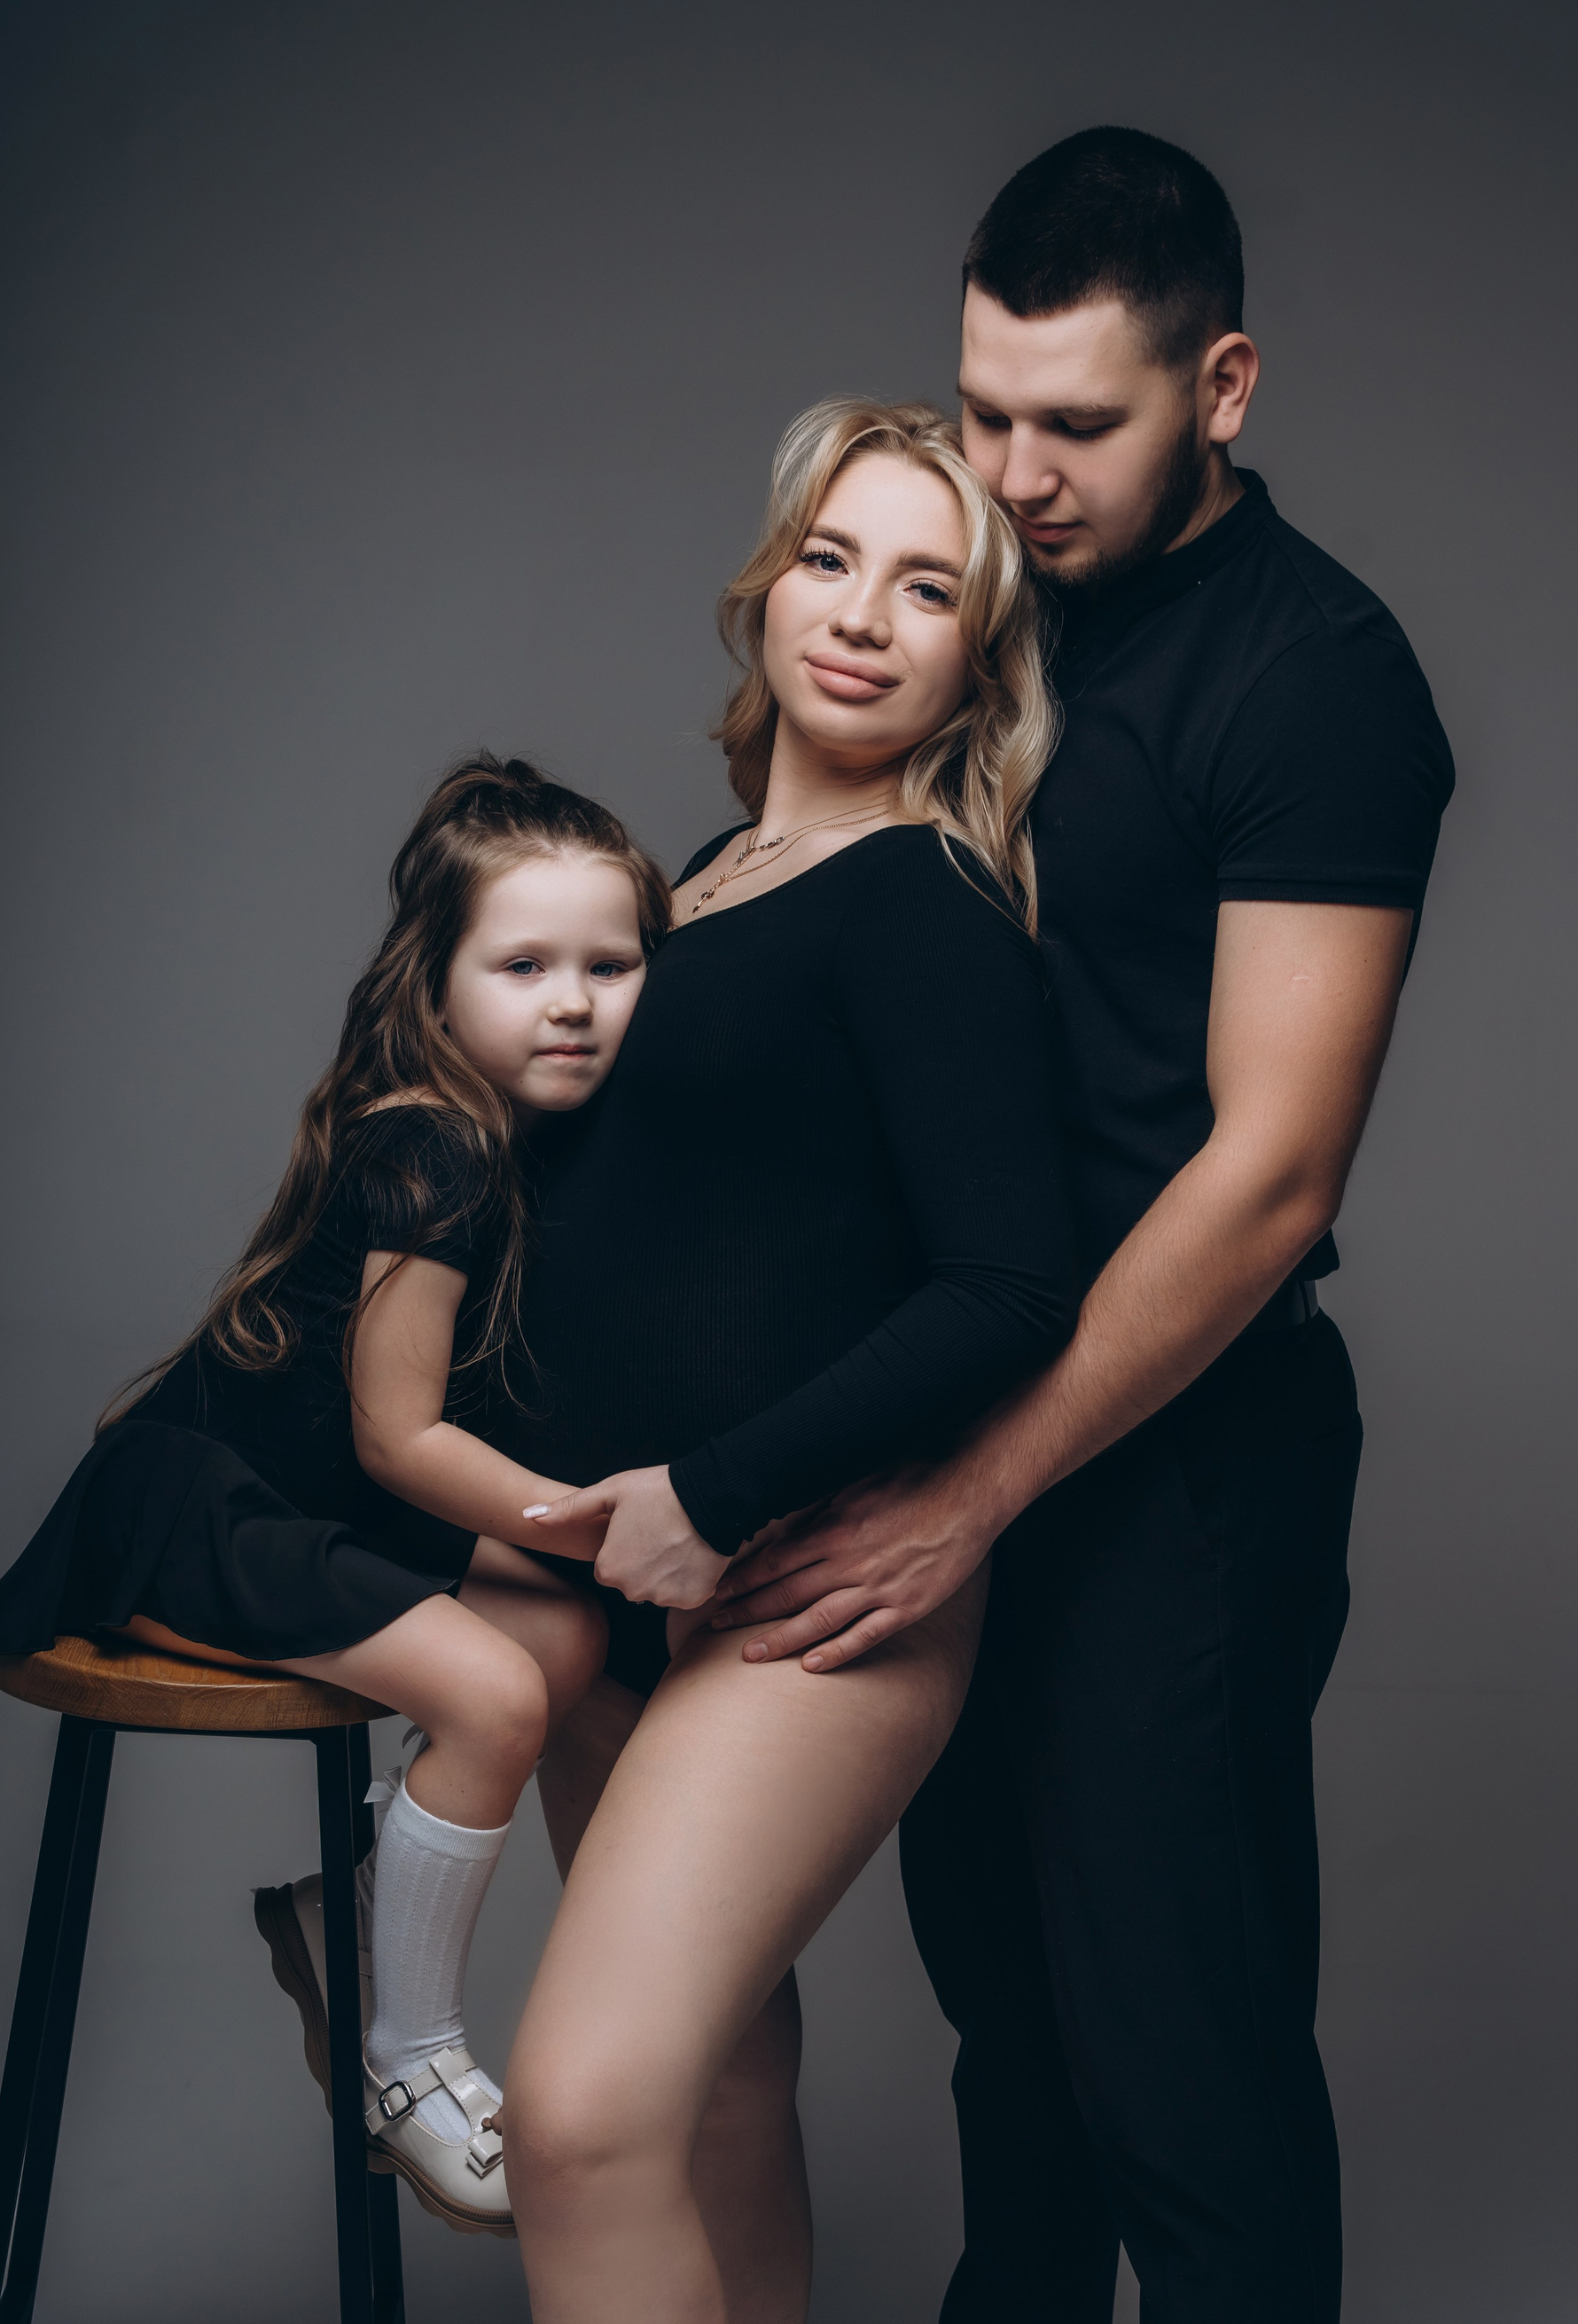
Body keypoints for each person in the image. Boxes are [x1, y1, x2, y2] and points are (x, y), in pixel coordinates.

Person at [711, 130, 1457, 2321]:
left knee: (1183, 2078)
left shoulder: (1316, 673)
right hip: (944, 1412)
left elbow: (1274, 1171)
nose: (1016, 475)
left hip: (1172, 1459)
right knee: (1013, 2058)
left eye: (1079, 424)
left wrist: (978, 1489)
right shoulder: (966, 599)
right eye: (986, 409)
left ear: (1223, 386)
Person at [483, 398, 1078, 2324]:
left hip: (793, 1582)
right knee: (715, 2091)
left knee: (582, 2115)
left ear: (980, 653)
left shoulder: (929, 901)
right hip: (611, 1578)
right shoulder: (697, 883)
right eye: (831, 558)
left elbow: (1011, 1288)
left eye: (928, 588)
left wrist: (713, 1494)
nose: (862, 617)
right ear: (769, 583)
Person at [0, 755, 670, 2236]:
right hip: (200, 1515)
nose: (573, 1003)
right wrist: (600, 1522)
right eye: (524, 965)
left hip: (316, 1513)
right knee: (499, 1689)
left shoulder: (533, 1138)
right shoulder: (438, 1142)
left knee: (560, 1638)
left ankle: (336, 1906)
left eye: (611, 966)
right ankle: (409, 2063)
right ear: (438, 984)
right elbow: (402, 1439)